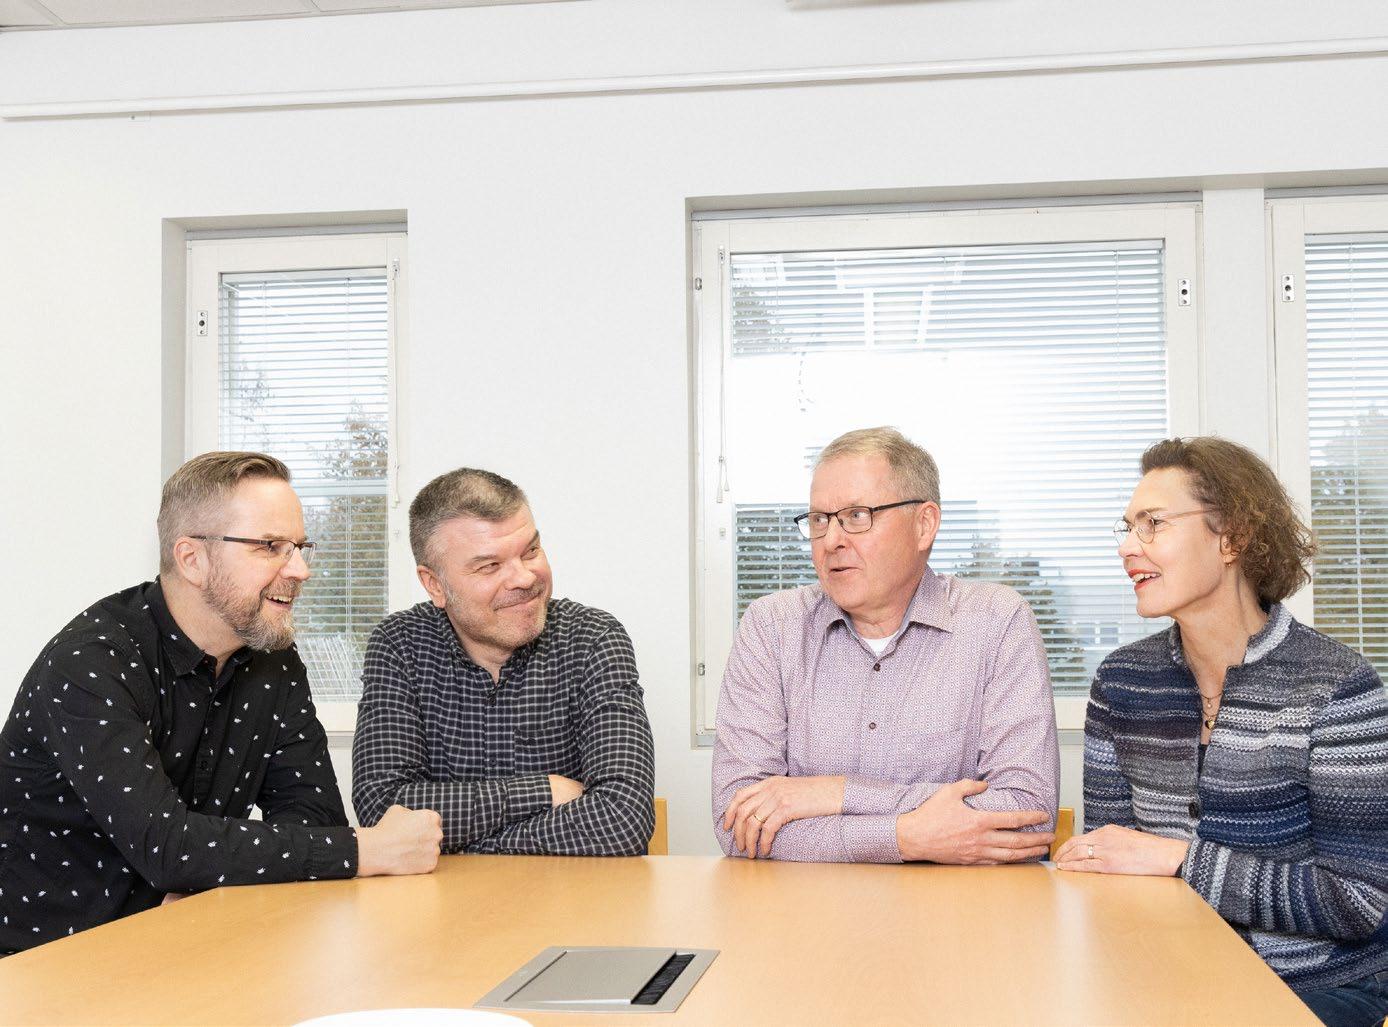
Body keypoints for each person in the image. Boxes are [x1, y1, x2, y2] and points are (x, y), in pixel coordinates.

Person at [0, 452, 442, 954]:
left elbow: (313, 817)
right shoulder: (91, 662)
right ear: (192, 559)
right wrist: (365, 850)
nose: (301, 569)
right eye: (270, 547)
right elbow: (168, 847)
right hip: (44, 964)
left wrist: (205, 876)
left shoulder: (273, 657)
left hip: (188, 943)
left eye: (300, 547)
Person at [1056, 436, 1388, 1027]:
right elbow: (1108, 860)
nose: (1128, 547)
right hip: (1167, 977)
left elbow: (1359, 903)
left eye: (1153, 524)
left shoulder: (1339, 687)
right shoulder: (1122, 682)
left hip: (1315, 985)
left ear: (1232, 537)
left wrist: (1180, 859)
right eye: (1128, 528)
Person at [712, 427, 1058, 863]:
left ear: (924, 525)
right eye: (819, 520)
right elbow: (738, 825)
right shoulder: (772, 627)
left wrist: (834, 793)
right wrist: (905, 836)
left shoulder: (997, 622)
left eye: (857, 515)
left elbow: (1026, 815)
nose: (832, 541)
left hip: (958, 902)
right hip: (807, 902)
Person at [351, 467, 655, 855]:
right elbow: (382, 808)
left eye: (530, 551)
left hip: (571, 892)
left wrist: (462, 845)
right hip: (441, 895)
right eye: (490, 566)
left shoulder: (593, 638)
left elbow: (623, 819)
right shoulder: (399, 645)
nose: (524, 578)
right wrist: (544, 790)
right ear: (435, 584)